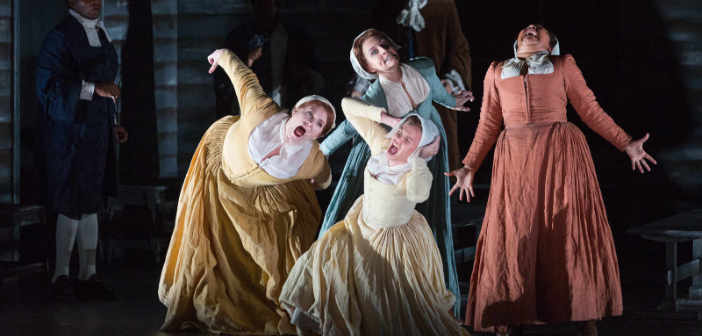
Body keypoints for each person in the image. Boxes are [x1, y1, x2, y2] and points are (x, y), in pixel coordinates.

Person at [447, 24, 657, 335]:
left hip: (559, 153)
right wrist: (469, 165)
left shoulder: (562, 65)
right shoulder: (496, 71)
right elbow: (489, 121)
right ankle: (514, 310)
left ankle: (584, 312)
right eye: (525, 29)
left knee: (566, 227)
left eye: (539, 29)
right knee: (518, 230)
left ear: (550, 45)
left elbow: (589, 109)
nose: (531, 28)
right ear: (516, 43)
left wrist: (625, 143)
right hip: (516, 159)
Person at [158, 48, 336, 335]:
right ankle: (204, 295)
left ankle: (255, 300)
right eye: (309, 113)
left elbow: (324, 175)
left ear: (319, 135)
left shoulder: (311, 157)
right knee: (207, 237)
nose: (310, 122)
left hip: (251, 192)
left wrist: (320, 183)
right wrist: (222, 56)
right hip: (219, 163)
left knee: (257, 248)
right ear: (295, 110)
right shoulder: (262, 109)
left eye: (318, 124)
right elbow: (244, 77)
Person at [280, 97, 468, 336]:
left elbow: (419, 194)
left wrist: (419, 159)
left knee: (382, 302)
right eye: (399, 133)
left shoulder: (413, 172)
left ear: (418, 150)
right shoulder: (381, 145)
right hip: (359, 227)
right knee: (327, 271)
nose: (398, 139)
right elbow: (348, 107)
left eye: (407, 140)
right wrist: (390, 121)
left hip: (392, 241)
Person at [319, 28, 471, 316]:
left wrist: (454, 102)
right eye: (373, 53)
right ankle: (371, 289)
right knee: (381, 221)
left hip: (425, 148)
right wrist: (323, 151)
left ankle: (424, 288)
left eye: (384, 46)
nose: (383, 53)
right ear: (367, 67)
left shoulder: (423, 67)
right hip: (389, 149)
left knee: (425, 219)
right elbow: (351, 124)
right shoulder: (375, 94)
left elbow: (437, 93)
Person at [36, 0, 128, 301]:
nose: (94, 1)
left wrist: (113, 122)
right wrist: (92, 89)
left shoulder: (102, 34)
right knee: (70, 202)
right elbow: (48, 89)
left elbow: (109, 86)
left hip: (97, 134)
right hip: (70, 135)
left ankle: (88, 275)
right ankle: (60, 275)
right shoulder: (59, 38)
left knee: (92, 203)